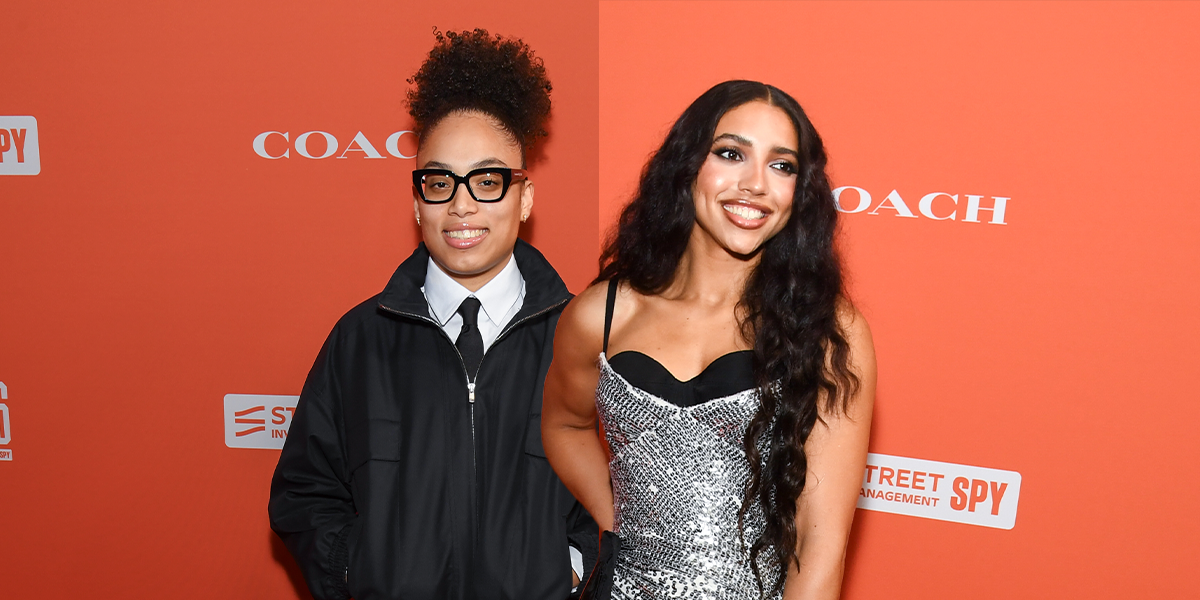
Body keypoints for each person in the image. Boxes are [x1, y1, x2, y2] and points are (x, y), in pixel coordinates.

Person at [270, 29, 596, 600]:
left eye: (488, 181)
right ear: (417, 201)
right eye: (439, 182)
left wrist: (569, 570)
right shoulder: (360, 340)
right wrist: (359, 568)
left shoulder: (582, 337)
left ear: (524, 198)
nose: (462, 204)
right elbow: (303, 492)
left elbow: (634, 489)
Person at [541, 80, 876, 600]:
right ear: (688, 164)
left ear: (799, 192)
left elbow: (819, 543)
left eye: (781, 166)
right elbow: (564, 423)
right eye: (730, 154)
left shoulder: (829, 331)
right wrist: (621, 519)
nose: (756, 184)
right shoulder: (602, 314)